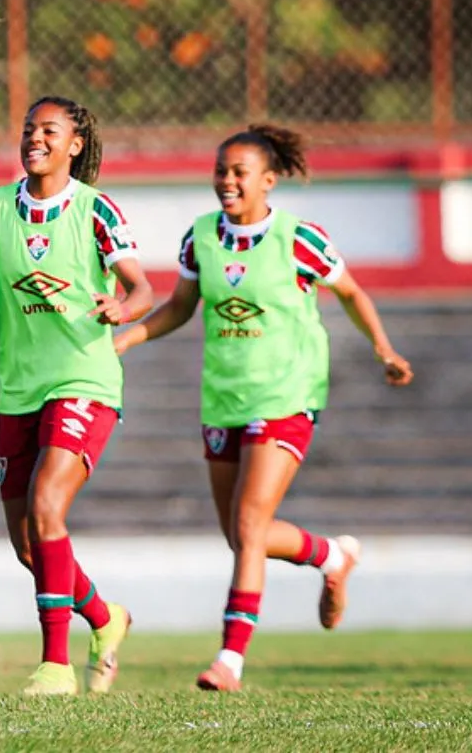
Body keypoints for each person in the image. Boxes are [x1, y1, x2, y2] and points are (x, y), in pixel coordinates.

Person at [114, 124, 414, 692]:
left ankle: (230, 658)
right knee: (242, 533)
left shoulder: (300, 240)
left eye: (239, 172)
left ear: (268, 181)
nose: (227, 181)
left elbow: (350, 292)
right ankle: (329, 556)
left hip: (288, 393)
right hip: (224, 395)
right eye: (221, 170)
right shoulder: (200, 237)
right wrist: (128, 337)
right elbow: (180, 307)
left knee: (250, 524)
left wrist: (384, 349)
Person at [0, 97, 152, 695]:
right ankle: (105, 617)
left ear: (75, 144)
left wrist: (121, 307)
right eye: (28, 129)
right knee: (28, 544)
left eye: (49, 130)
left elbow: (142, 287)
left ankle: (55, 666)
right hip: (18, 388)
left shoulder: (95, 210)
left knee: (48, 507)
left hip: (84, 380)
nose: (34, 139)